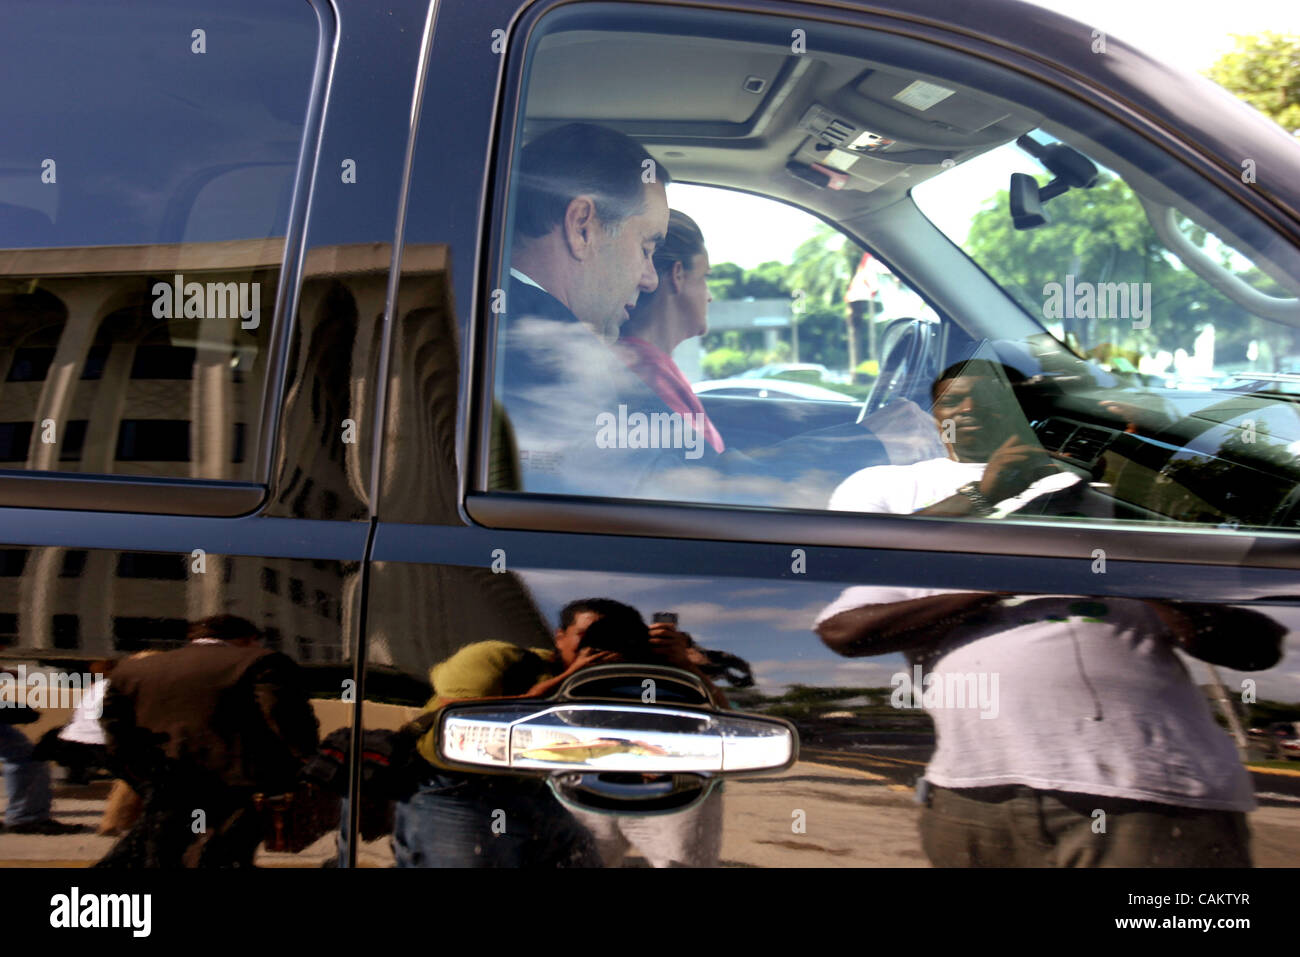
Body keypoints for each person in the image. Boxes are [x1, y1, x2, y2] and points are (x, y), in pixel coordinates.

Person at [394, 598, 724, 867]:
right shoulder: (498, 657)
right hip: (452, 787)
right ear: (559, 635)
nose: (600, 647)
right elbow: (458, 711)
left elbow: (720, 721)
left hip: (532, 791)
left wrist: (686, 665)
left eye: (613, 637)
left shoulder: (623, 679)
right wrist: (570, 677)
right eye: (587, 634)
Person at [96, 615, 319, 868]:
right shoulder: (262, 662)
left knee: (165, 846)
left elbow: (112, 721)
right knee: (225, 850)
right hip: (238, 777)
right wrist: (308, 758)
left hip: (164, 774)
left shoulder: (134, 668)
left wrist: (136, 767)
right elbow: (284, 716)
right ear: (248, 639)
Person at [615, 209, 724, 455]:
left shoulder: (645, 367)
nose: (710, 296)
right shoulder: (649, 377)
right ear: (678, 275)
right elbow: (700, 471)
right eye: (704, 277)